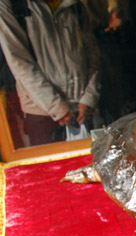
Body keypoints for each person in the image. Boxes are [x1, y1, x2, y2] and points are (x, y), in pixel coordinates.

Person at [0, 0, 101, 146]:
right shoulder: (13, 4)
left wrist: (89, 97)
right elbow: (18, 60)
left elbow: (92, 52)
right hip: (42, 114)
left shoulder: (74, 4)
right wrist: (57, 108)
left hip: (84, 111)